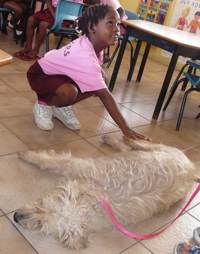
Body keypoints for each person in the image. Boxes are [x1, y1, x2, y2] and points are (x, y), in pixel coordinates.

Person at [26, 4, 149, 140]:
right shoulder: (84, 54)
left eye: (118, 24)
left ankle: (60, 106)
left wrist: (101, 83)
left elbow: (97, 77)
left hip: (60, 74)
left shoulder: (95, 45)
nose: (117, 29)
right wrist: (126, 129)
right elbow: (105, 96)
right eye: (110, 23)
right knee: (70, 92)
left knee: (101, 81)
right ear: (92, 27)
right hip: (40, 74)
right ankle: (45, 103)